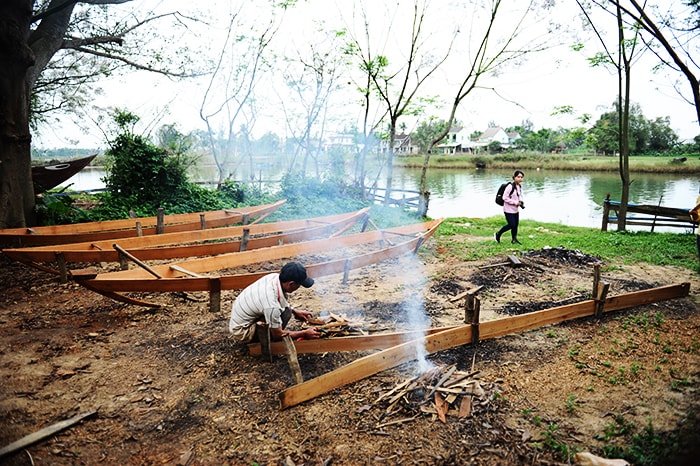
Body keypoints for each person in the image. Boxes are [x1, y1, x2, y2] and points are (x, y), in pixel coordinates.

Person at [229, 261, 321, 343]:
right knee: (285, 314)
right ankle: (264, 344)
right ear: (291, 284)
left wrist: (294, 310)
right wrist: (304, 333)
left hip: (240, 319)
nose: (298, 288)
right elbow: (278, 335)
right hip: (242, 331)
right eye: (299, 285)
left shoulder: (274, 277)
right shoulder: (272, 305)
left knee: (287, 310)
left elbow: (277, 302)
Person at [495, 170, 525, 245]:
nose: (520, 179)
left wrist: (520, 202)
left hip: (515, 209)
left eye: (521, 177)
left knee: (516, 225)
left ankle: (514, 239)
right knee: (511, 224)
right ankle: (498, 234)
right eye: (518, 177)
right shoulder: (510, 186)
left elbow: (519, 196)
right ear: (514, 177)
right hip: (508, 209)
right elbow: (504, 198)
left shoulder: (519, 186)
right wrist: (515, 203)